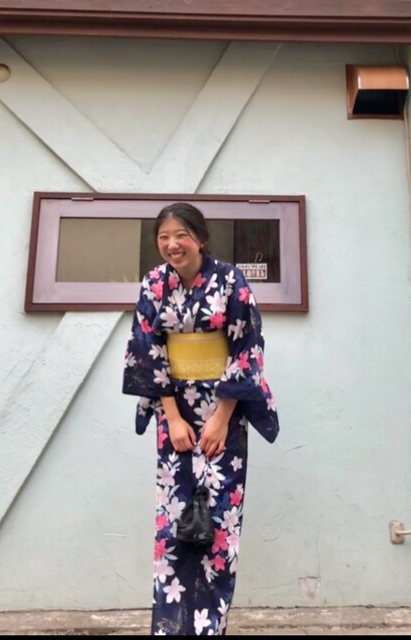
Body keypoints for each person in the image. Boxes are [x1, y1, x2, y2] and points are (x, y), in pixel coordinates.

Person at [123, 202, 279, 636]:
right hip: (174, 413)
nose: (172, 245)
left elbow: (247, 348)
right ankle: (170, 627)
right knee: (174, 522)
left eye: (181, 235)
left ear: (201, 238)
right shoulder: (154, 283)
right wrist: (172, 417)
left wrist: (222, 417)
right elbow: (147, 350)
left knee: (219, 524)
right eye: (164, 237)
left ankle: (210, 627)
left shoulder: (229, 280)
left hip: (223, 415)